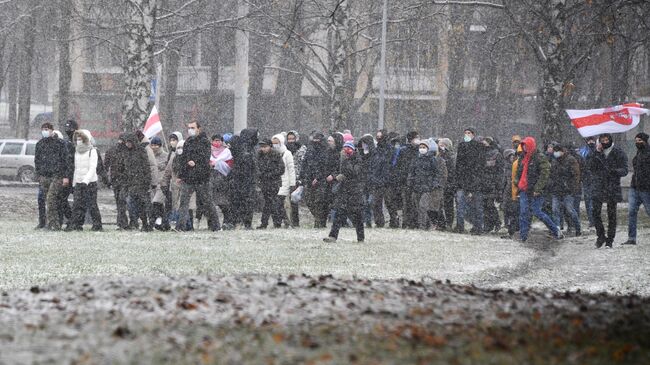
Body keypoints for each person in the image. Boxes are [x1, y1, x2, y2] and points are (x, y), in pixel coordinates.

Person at [514, 136, 562, 242]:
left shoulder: (540, 157)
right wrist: (518, 183)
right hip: (524, 189)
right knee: (523, 212)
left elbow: (544, 174)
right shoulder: (523, 158)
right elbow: (518, 172)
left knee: (537, 212)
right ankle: (523, 236)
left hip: (536, 190)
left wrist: (538, 188)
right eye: (523, 146)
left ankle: (555, 230)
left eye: (526, 145)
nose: (525, 148)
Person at [175, 121, 220, 232]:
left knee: (208, 202)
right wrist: (181, 174)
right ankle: (180, 226)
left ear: (199, 129)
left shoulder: (204, 142)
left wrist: (195, 163)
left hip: (202, 178)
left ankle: (215, 226)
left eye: (193, 127)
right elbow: (183, 159)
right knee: (183, 203)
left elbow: (205, 159)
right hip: (188, 178)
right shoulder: (188, 142)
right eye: (189, 127)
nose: (190, 130)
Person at [588, 133, 628, 248]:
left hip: (612, 187)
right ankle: (600, 236)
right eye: (602, 140)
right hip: (598, 186)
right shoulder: (596, 153)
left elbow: (624, 170)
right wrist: (597, 152)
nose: (605, 142)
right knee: (595, 212)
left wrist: (614, 171)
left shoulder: (618, 152)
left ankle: (610, 239)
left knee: (612, 214)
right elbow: (590, 166)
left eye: (606, 140)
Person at [323, 142, 365, 243]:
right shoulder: (341, 159)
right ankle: (333, 236)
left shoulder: (358, 160)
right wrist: (334, 176)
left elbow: (354, 172)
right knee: (339, 214)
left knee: (357, 216)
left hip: (355, 191)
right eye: (345, 148)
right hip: (344, 191)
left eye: (349, 149)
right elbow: (339, 171)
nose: (346, 151)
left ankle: (361, 237)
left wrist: (346, 161)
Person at [65, 130, 102, 231]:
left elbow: (92, 168)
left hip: (90, 183)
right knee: (77, 205)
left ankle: (97, 224)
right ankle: (76, 224)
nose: (78, 141)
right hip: (78, 181)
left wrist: (86, 180)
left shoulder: (92, 151)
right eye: (77, 139)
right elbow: (76, 168)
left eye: (81, 139)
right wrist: (75, 182)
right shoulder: (77, 151)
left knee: (92, 205)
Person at [34, 122, 69, 231]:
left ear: (52, 130)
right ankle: (51, 223)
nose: (45, 131)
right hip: (44, 176)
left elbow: (65, 161)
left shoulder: (60, 143)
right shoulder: (40, 144)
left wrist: (65, 176)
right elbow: (37, 160)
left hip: (57, 176)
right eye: (43, 129)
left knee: (51, 199)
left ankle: (53, 224)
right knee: (47, 200)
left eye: (47, 129)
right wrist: (39, 174)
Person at [454, 127, 485, 235]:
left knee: (477, 207)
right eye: (465, 133)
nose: (466, 135)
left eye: (469, 133)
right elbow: (459, 165)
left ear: (473, 134)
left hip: (474, 182)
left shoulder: (478, 147)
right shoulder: (462, 146)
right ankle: (460, 226)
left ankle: (478, 227)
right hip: (463, 181)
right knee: (461, 206)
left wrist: (474, 182)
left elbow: (479, 166)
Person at [120, 133, 153, 231]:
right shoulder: (126, 153)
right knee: (132, 205)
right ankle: (136, 222)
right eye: (126, 142)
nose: (128, 144)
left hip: (141, 183)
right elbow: (124, 168)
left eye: (129, 142)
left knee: (142, 205)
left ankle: (145, 223)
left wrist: (147, 181)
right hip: (131, 183)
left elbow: (146, 167)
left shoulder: (140, 151)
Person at [548, 144, 581, 237]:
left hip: (568, 190)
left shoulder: (571, 160)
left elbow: (575, 175)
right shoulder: (554, 161)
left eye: (557, 151)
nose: (556, 153)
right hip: (556, 190)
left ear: (562, 151)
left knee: (570, 210)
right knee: (555, 210)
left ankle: (577, 227)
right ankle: (557, 229)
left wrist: (572, 187)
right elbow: (551, 174)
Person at [299, 133, 331, 228]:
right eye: (314, 140)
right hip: (309, 179)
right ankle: (319, 219)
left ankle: (319, 222)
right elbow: (305, 163)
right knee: (309, 201)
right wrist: (302, 177)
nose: (316, 142)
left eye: (318, 140)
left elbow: (325, 167)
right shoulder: (310, 150)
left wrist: (318, 177)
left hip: (321, 181)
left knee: (319, 202)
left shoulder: (325, 151)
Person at [229, 128, 259, 229]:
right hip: (245, 180)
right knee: (246, 202)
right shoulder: (246, 149)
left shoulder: (247, 147)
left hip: (243, 180)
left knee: (242, 202)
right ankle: (245, 223)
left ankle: (241, 222)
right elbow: (246, 165)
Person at [623, 132, 650, 245]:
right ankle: (631, 238)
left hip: (646, 189)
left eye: (639, 140)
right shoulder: (638, 153)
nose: (637, 143)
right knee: (631, 212)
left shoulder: (648, 153)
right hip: (634, 187)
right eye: (636, 141)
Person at [367, 129, 396, 228]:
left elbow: (389, 164)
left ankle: (394, 221)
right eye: (377, 137)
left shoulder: (390, 149)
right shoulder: (376, 150)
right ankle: (379, 222)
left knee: (390, 203)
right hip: (377, 181)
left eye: (380, 136)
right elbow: (373, 165)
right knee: (376, 203)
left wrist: (387, 178)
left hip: (387, 181)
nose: (379, 139)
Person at [407, 140, 438, 230]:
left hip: (427, 187)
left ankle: (422, 226)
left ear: (427, 149)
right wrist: (410, 182)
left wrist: (433, 184)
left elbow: (436, 173)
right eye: (420, 147)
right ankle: (428, 224)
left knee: (422, 206)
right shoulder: (415, 159)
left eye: (424, 147)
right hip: (416, 187)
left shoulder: (432, 159)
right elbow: (411, 172)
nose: (422, 149)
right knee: (417, 207)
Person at [256, 138, 286, 229]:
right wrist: (260, 175)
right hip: (264, 182)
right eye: (262, 147)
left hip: (274, 182)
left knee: (272, 203)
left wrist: (270, 174)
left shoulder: (276, 155)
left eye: (265, 147)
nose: (263, 149)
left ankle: (275, 222)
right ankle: (268, 222)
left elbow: (281, 169)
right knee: (267, 203)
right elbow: (257, 168)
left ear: (270, 146)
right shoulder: (259, 155)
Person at [395, 131, 421, 229]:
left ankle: (416, 222)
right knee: (407, 203)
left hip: (416, 181)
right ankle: (406, 223)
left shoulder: (420, 150)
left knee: (416, 204)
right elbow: (399, 166)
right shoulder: (404, 151)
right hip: (405, 181)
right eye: (416, 138)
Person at [104, 134, 129, 229]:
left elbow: (105, 167)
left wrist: (107, 180)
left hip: (119, 180)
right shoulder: (125, 151)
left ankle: (121, 222)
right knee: (121, 201)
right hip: (121, 180)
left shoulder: (112, 150)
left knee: (120, 201)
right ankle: (123, 222)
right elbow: (105, 167)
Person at [209, 134, 234, 229]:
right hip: (211, 180)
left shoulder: (227, 152)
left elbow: (230, 165)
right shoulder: (208, 151)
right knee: (210, 203)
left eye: (219, 141)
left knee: (223, 203)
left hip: (222, 181)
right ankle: (212, 224)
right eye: (215, 140)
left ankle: (227, 221)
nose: (217, 143)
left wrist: (219, 165)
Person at [481, 137, 505, 233]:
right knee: (484, 205)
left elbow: (499, 171)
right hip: (484, 183)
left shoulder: (496, 154)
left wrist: (498, 186)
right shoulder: (481, 154)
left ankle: (497, 223)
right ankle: (488, 225)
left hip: (492, 183)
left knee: (490, 205)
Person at [273, 133, 296, 228]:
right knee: (276, 203)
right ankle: (279, 221)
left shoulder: (287, 153)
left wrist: (292, 184)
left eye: (276, 142)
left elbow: (291, 169)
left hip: (285, 182)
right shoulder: (273, 153)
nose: (275, 144)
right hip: (275, 182)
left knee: (279, 202)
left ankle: (287, 220)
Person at [286, 130, 307, 227]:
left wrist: (301, 177)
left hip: (297, 177)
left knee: (294, 200)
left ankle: (295, 222)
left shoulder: (302, 149)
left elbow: (303, 163)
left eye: (292, 138)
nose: (290, 141)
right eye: (289, 139)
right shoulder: (285, 149)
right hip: (287, 176)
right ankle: (288, 221)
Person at [149, 136, 170, 230]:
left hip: (162, 184)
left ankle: (155, 221)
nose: (154, 147)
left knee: (156, 202)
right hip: (152, 184)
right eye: (152, 145)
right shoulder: (149, 156)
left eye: (156, 145)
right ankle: (164, 224)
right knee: (159, 205)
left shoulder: (166, 156)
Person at [579, 136, 597, 228]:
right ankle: (591, 220)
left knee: (594, 200)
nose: (591, 142)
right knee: (588, 200)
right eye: (589, 140)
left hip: (596, 179)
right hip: (586, 179)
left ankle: (595, 219)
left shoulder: (597, 150)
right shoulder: (583, 151)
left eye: (592, 140)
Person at [501, 148, 519, 239]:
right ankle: (508, 227)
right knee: (506, 209)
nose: (512, 158)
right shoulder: (506, 168)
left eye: (513, 156)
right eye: (510, 156)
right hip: (507, 191)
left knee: (514, 211)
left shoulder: (517, 166)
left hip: (515, 191)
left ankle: (514, 230)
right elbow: (504, 180)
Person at [437, 138, 455, 230]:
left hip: (448, 184)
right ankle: (441, 223)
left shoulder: (451, 157)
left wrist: (449, 183)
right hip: (440, 184)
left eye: (442, 145)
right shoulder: (438, 155)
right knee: (439, 205)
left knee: (448, 205)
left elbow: (451, 171)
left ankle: (449, 223)